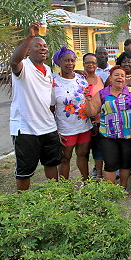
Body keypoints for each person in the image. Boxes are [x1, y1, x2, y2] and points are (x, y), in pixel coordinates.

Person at [10, 22, 60, 191]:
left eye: (44, 45)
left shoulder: (47, 70)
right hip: (26, 129)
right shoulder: (23, 67)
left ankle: (54, 197)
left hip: (48, 127)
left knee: (52, 164)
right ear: (28, 50)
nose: (43, 48)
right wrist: (30, 36)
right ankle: (23, 206)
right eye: (37, 46)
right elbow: (14, 61)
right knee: (24, 172)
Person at [84, 66, 131, 193]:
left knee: (125, 162)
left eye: (122, 76)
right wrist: (88, 100)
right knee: (110, 163)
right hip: (108, 135)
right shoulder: (103, 93)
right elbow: (91, 112)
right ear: (110, 78)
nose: (120, 78)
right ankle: (111, 191)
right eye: (116, 75)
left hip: (128, 134)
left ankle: (123, 188)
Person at [51, 47, 92, 180]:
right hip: (65, 129)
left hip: (84, 126)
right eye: (66, 60)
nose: (70, 63)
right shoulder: (53, 82)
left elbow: (88, 99)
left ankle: (86, 184)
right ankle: (65, 190)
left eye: (72, 60)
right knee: (65, 159)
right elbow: (51, 109)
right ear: (59, 62)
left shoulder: (81, 78)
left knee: (83, 155)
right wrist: (55, 131)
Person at [83, 53, 105, 179]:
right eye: (88, 62)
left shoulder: (99, 79)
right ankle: (85, 177)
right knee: (84, 151)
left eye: (93, 62)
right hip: (83, 119)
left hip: (98, 119)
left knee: (98, 149)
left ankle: (99, 174)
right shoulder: (79, 78)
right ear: (83, 64)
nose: (91, 65)